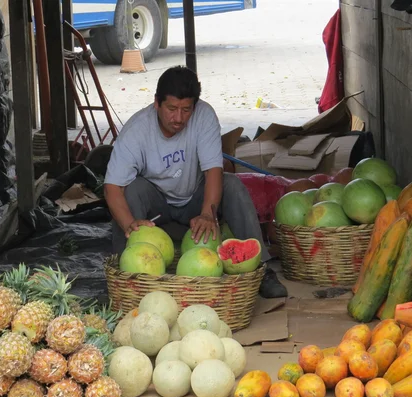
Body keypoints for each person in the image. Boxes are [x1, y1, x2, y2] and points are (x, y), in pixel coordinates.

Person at [103, 66, 287, 299]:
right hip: (157, 212)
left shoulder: (204, 116)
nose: (178, 118)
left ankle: (263, 270)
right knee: (132, 189)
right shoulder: (136, 131)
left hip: (194, 204)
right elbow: (111, 188)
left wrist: (208, 214)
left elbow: (213, 171)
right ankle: (126, 277)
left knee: (233, 185)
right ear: (156, 103)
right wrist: (130, 225)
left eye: (185, 110)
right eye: (171, 109)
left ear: (194, 107)